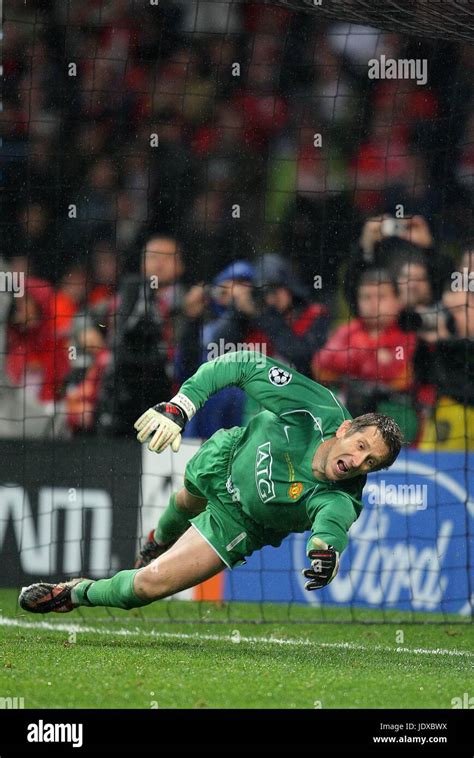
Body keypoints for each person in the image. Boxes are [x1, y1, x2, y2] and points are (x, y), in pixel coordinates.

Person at [19, 350, 403, 615]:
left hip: (239, 525)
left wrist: (327, 554)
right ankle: (157, 540)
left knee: (146, 588)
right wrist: (180, 406)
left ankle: (72, 593)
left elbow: (330, 530)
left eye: (371, 462)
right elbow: (240, 364)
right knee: (186, 501)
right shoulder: (314, 406)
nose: (356, 462)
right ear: (345, 429)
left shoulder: (342, 497)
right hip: (228, 456)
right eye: (360, 446)